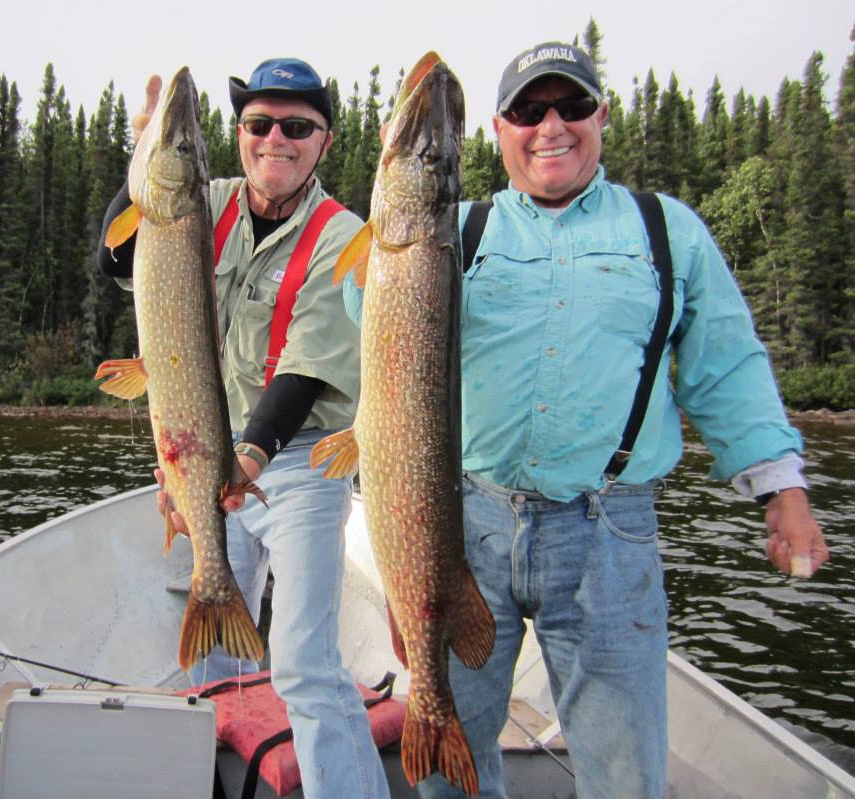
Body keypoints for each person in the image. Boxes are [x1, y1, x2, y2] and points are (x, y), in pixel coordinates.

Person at [346, 42, 830, 799]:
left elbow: (726, 365)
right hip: (463, 518)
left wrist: (782, 489)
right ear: (501, 131)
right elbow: (354, 317)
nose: (551, 127)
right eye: (529, 111)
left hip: (609, 533)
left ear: (601, 117)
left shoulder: (666, 231)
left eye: (571, 107)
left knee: (624, 774)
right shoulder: (452, 233)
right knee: (450, 770)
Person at [99, 58, 390, 799]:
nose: (276, 140)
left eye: (297, 127)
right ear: (239, 135)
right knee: (209, 654)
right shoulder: (204, 201)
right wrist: (143, 156)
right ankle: (217, 782)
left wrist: (243, 463)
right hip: (203, 443)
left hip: (295, 463)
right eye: (259, 124)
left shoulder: (342, 237)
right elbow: (118, 256)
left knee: (302, 661)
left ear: (324, 141)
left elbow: (304, 372)